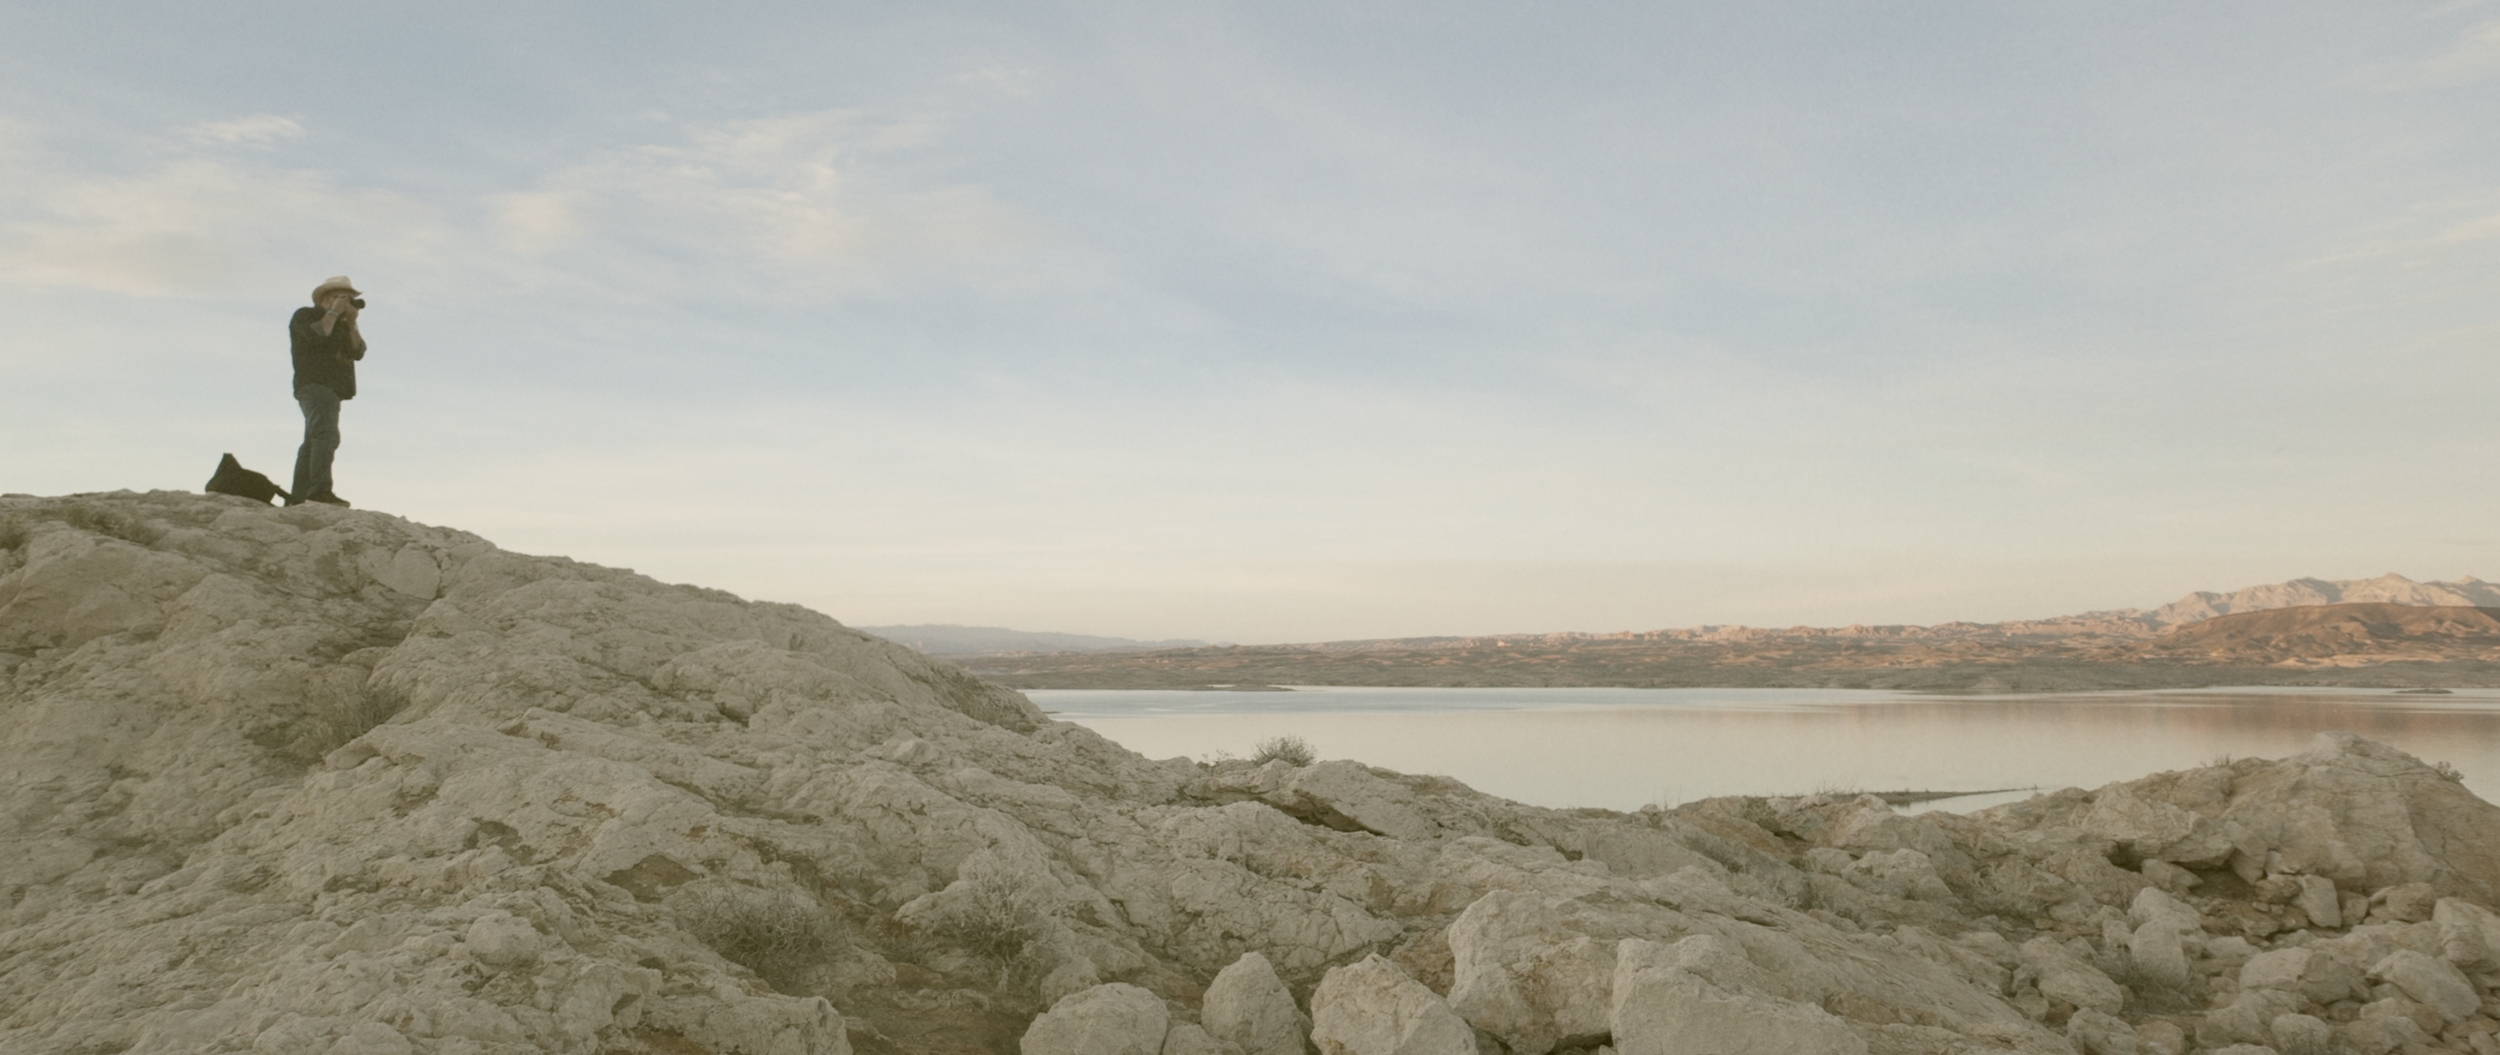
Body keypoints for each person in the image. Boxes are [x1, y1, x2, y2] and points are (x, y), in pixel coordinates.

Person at [288, 276, 367, 507]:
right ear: (325, 298)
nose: (346, 303)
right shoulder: (305, 315)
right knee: (327, 435)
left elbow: (358, 351)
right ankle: (319, 491)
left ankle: (299, 497)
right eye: (339, 297)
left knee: (313, 440)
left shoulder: (342, 325)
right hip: (314, 384)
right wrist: (332, 312)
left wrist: (352, 322)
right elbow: (317, 334)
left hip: (332, 389)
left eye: (350, 299)